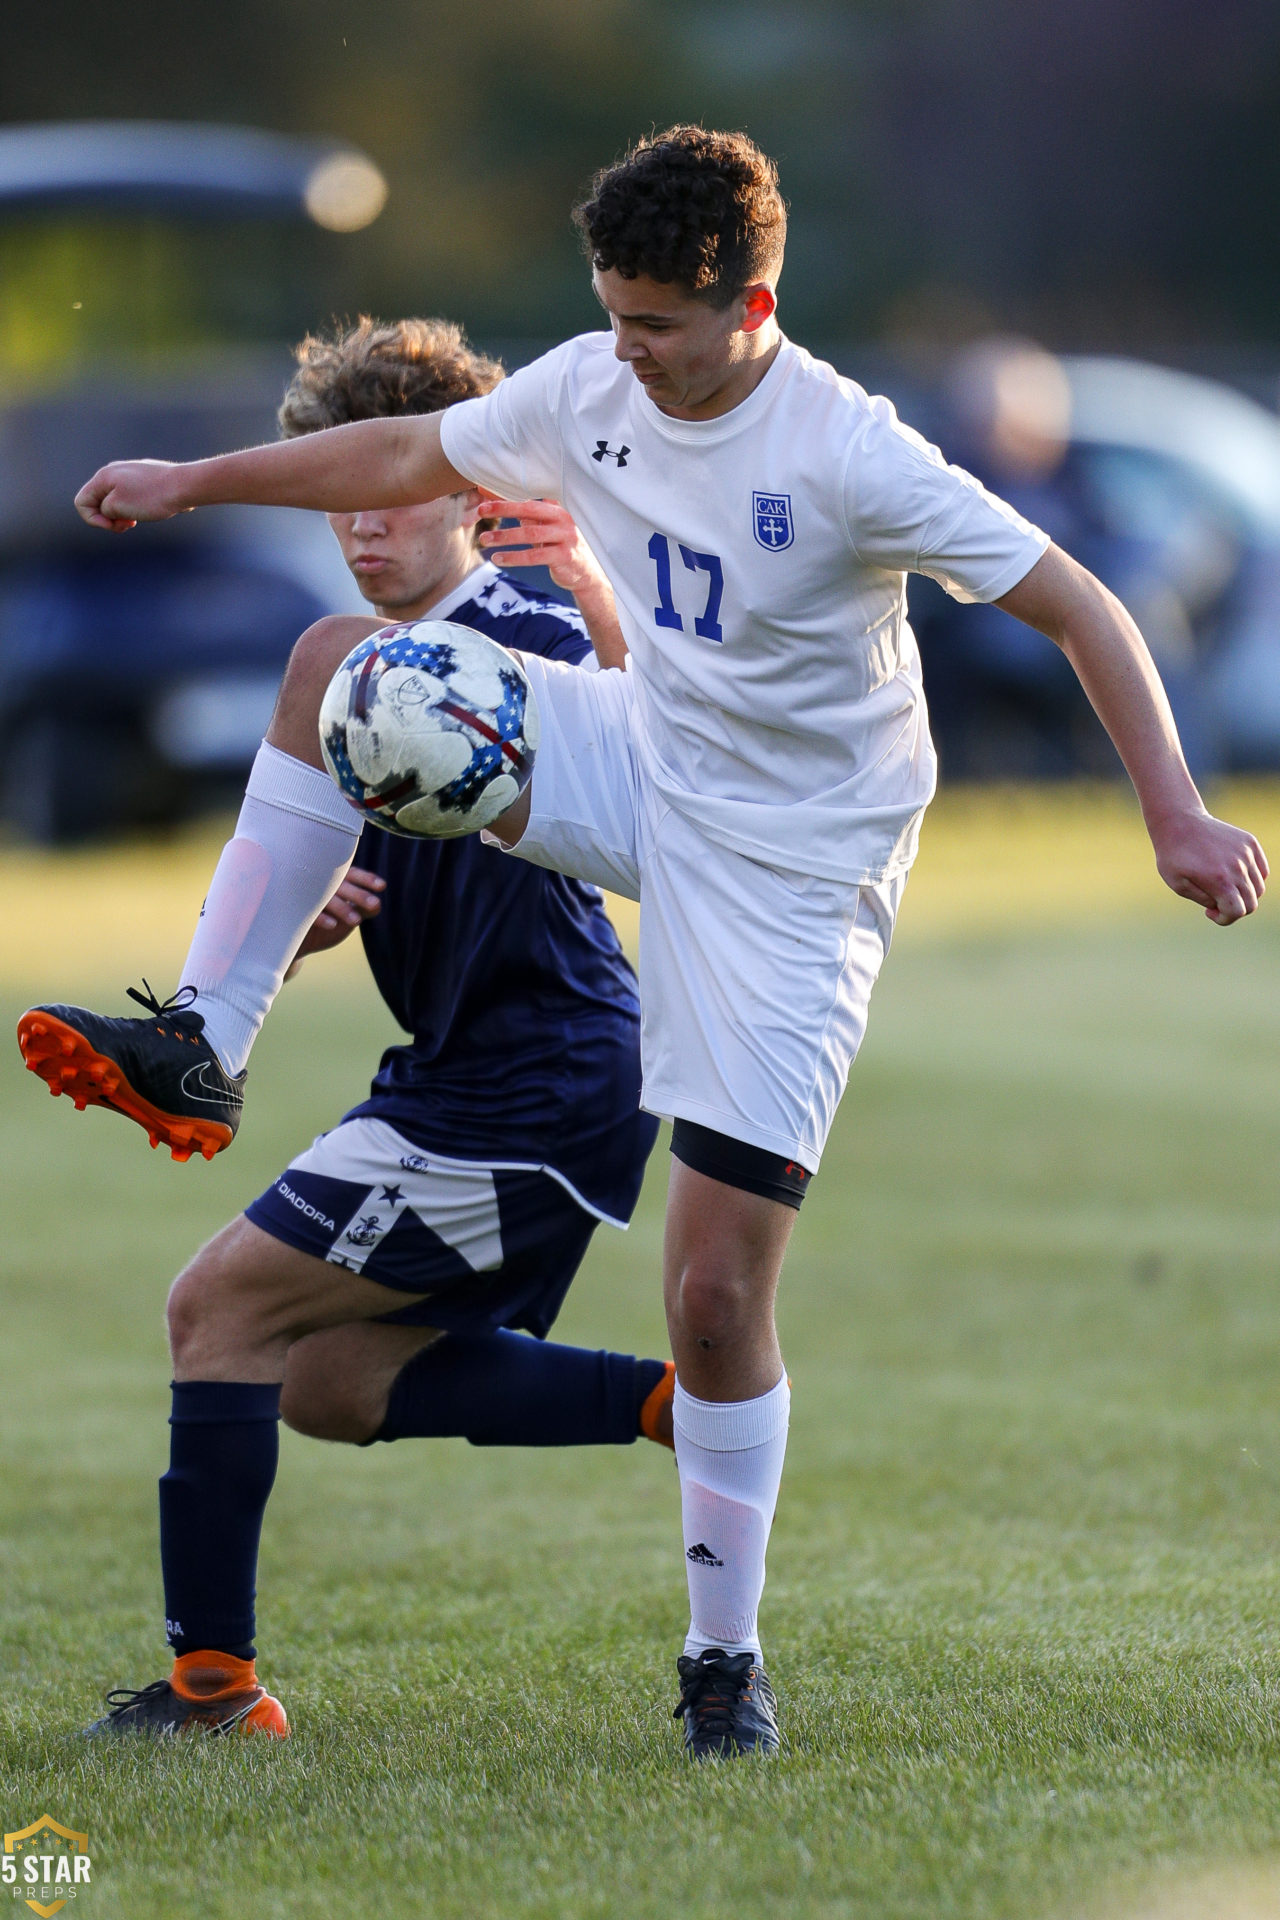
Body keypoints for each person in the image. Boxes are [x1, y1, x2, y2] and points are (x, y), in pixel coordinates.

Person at [59, 127, 1268, 1761]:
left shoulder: (854, 449)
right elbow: (406, 452)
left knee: (711, 1296)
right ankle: (206, 1035)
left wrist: (1176, 813)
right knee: (344, 660)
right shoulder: (589, 387)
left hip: (795, 873)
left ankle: (722, 1661)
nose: (625, 355)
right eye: (611, 318)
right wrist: (195, 481)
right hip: (642, 761)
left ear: (750, 301)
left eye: (658, 326)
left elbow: (1080, 608)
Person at [21, 317, 673, 1739]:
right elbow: (417, 837)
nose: (364, 525)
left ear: (469, 496)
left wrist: (609, 608)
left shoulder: (525, 620)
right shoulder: (409, 677)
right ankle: (686, 1408)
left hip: (536, 1076)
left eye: (392, 491)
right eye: (341, 504)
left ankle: (214, 1693)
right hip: (477, 1070)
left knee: (214, 1310)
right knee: (326, 1378)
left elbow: (636, 736)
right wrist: (326, 905)